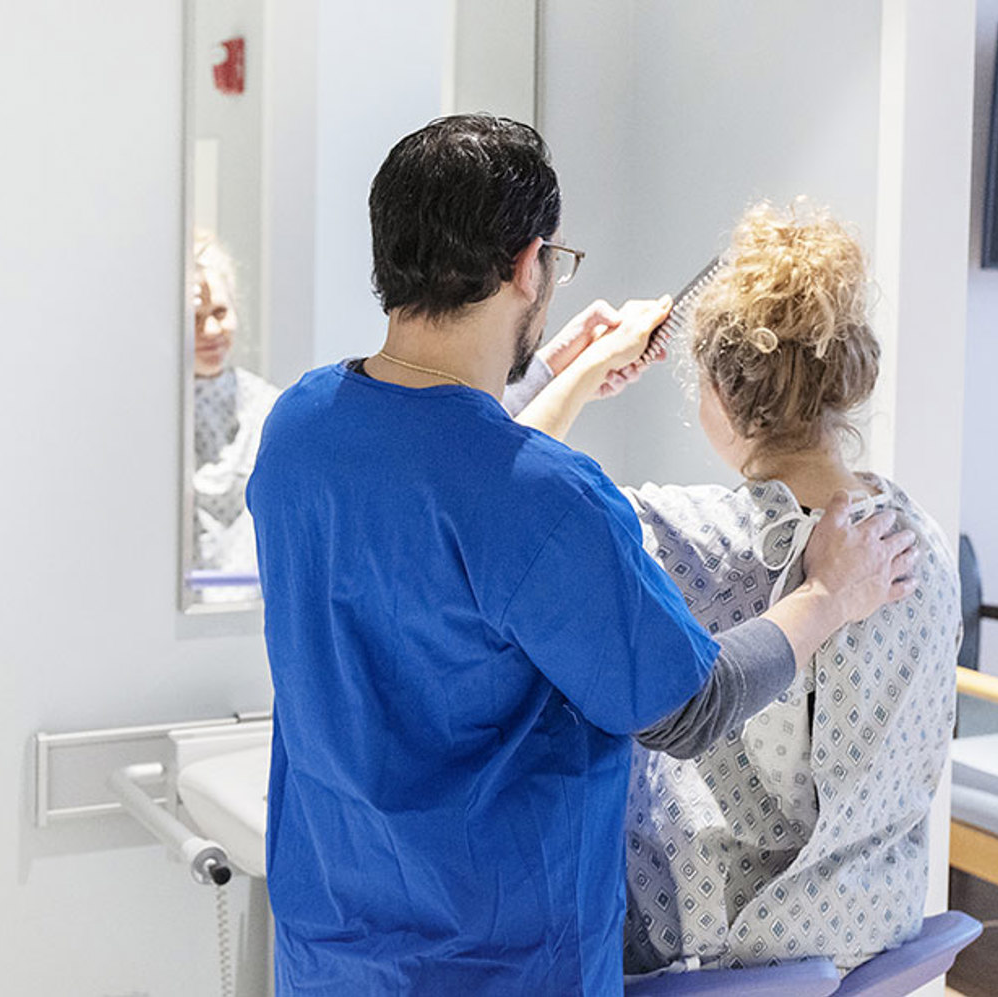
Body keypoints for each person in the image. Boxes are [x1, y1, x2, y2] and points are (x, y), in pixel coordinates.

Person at [245, 115, 919, 994]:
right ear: (530, 265)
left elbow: (455, 488)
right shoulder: (549, 499)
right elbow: (690, 704)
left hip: (330, 955)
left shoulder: (299, 429)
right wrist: (830, 591)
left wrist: (564, 377)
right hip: (504, 968)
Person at [514, 200, 961, 975]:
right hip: (871, 932)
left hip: (718, 944)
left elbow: (498, 481)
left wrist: (577, 372)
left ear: (721, 391)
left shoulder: (678, 536)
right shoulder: (917, 540)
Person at [188, 231, 278, 601]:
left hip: (247, 619)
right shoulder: (154, 419)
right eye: (193, 317)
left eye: (219, 313)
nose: (210, 330)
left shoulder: (268, 407)